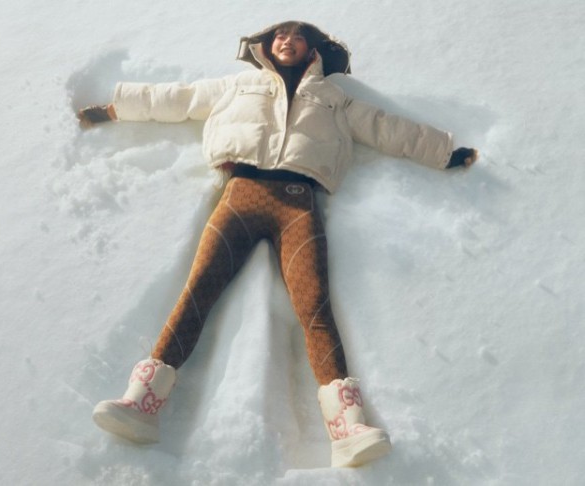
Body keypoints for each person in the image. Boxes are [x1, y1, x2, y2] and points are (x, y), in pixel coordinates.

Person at [78, 21, 477, 468]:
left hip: (299, 204)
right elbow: (181, 99)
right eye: (280, 36)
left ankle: (348, 428)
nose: (288, 41)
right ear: (267, 46)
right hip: (240, 196)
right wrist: (114, 109)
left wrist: (443, 153)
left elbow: (384, 126)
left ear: (313, 50)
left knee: (314, 306)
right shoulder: (239, 85)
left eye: (298, 37)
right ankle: (140, 402)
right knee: (199, 289)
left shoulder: (334, 98)